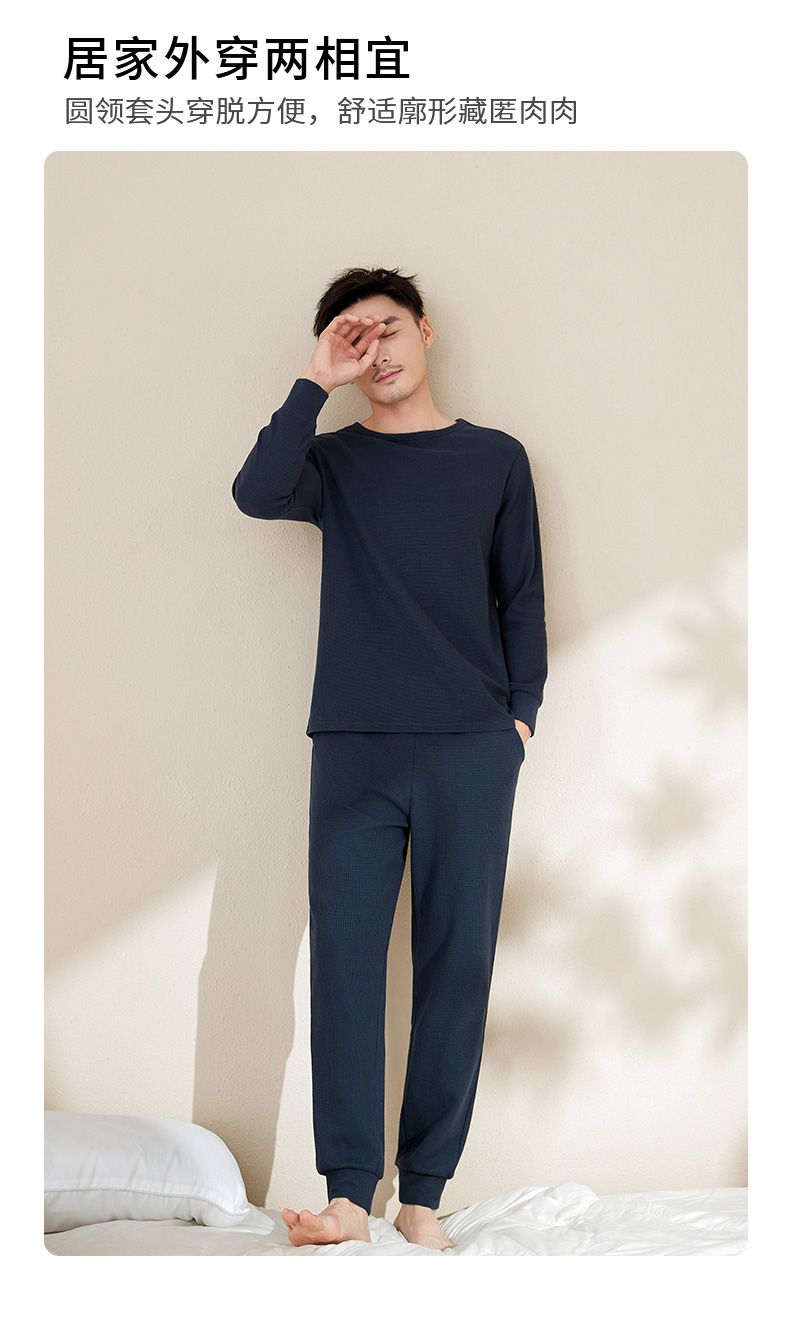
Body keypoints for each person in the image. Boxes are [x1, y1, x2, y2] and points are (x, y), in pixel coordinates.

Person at [232, 267, 548, 1250]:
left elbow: (521, 597)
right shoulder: (332, 464)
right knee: (344, 963)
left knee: (457, 964)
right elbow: (254, 492)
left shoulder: (495, 459)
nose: (375, 351)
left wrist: (520, 719)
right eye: (353, 339)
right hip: (354, 747)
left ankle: (422, 1197)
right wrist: (311, 380)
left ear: (426, 331)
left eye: (387, 329)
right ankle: (345, 1194)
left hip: (471, 747)